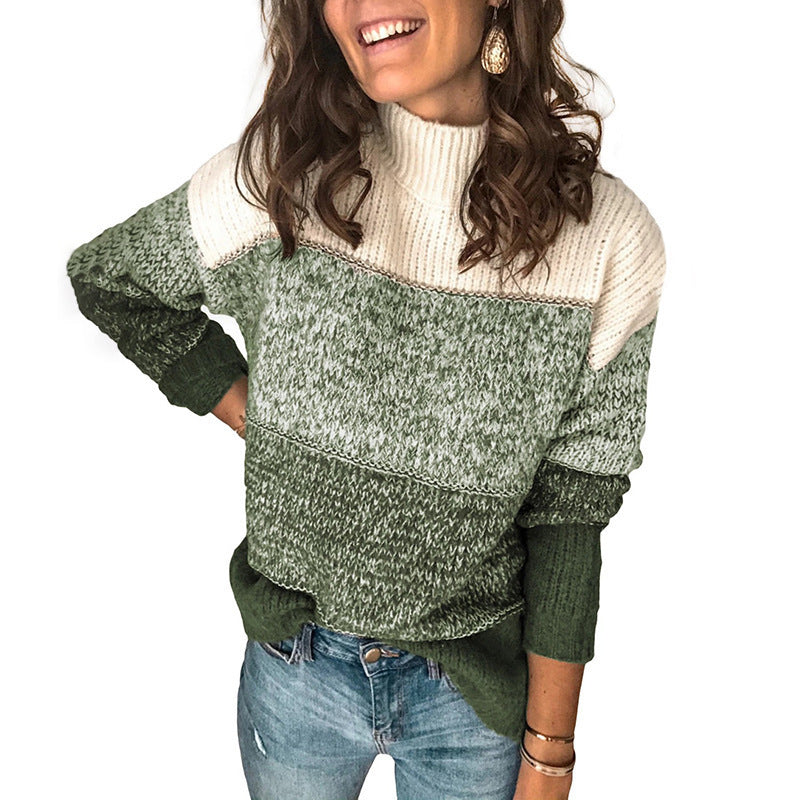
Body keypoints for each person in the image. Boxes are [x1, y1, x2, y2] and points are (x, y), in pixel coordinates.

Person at [65, 1, 667, 798]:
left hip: (472, 698)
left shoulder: (607, 239)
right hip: (295, 671)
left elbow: (572, 512)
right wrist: (256, 415)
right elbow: (114, 279)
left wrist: (550, 756)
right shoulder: (280, 178)